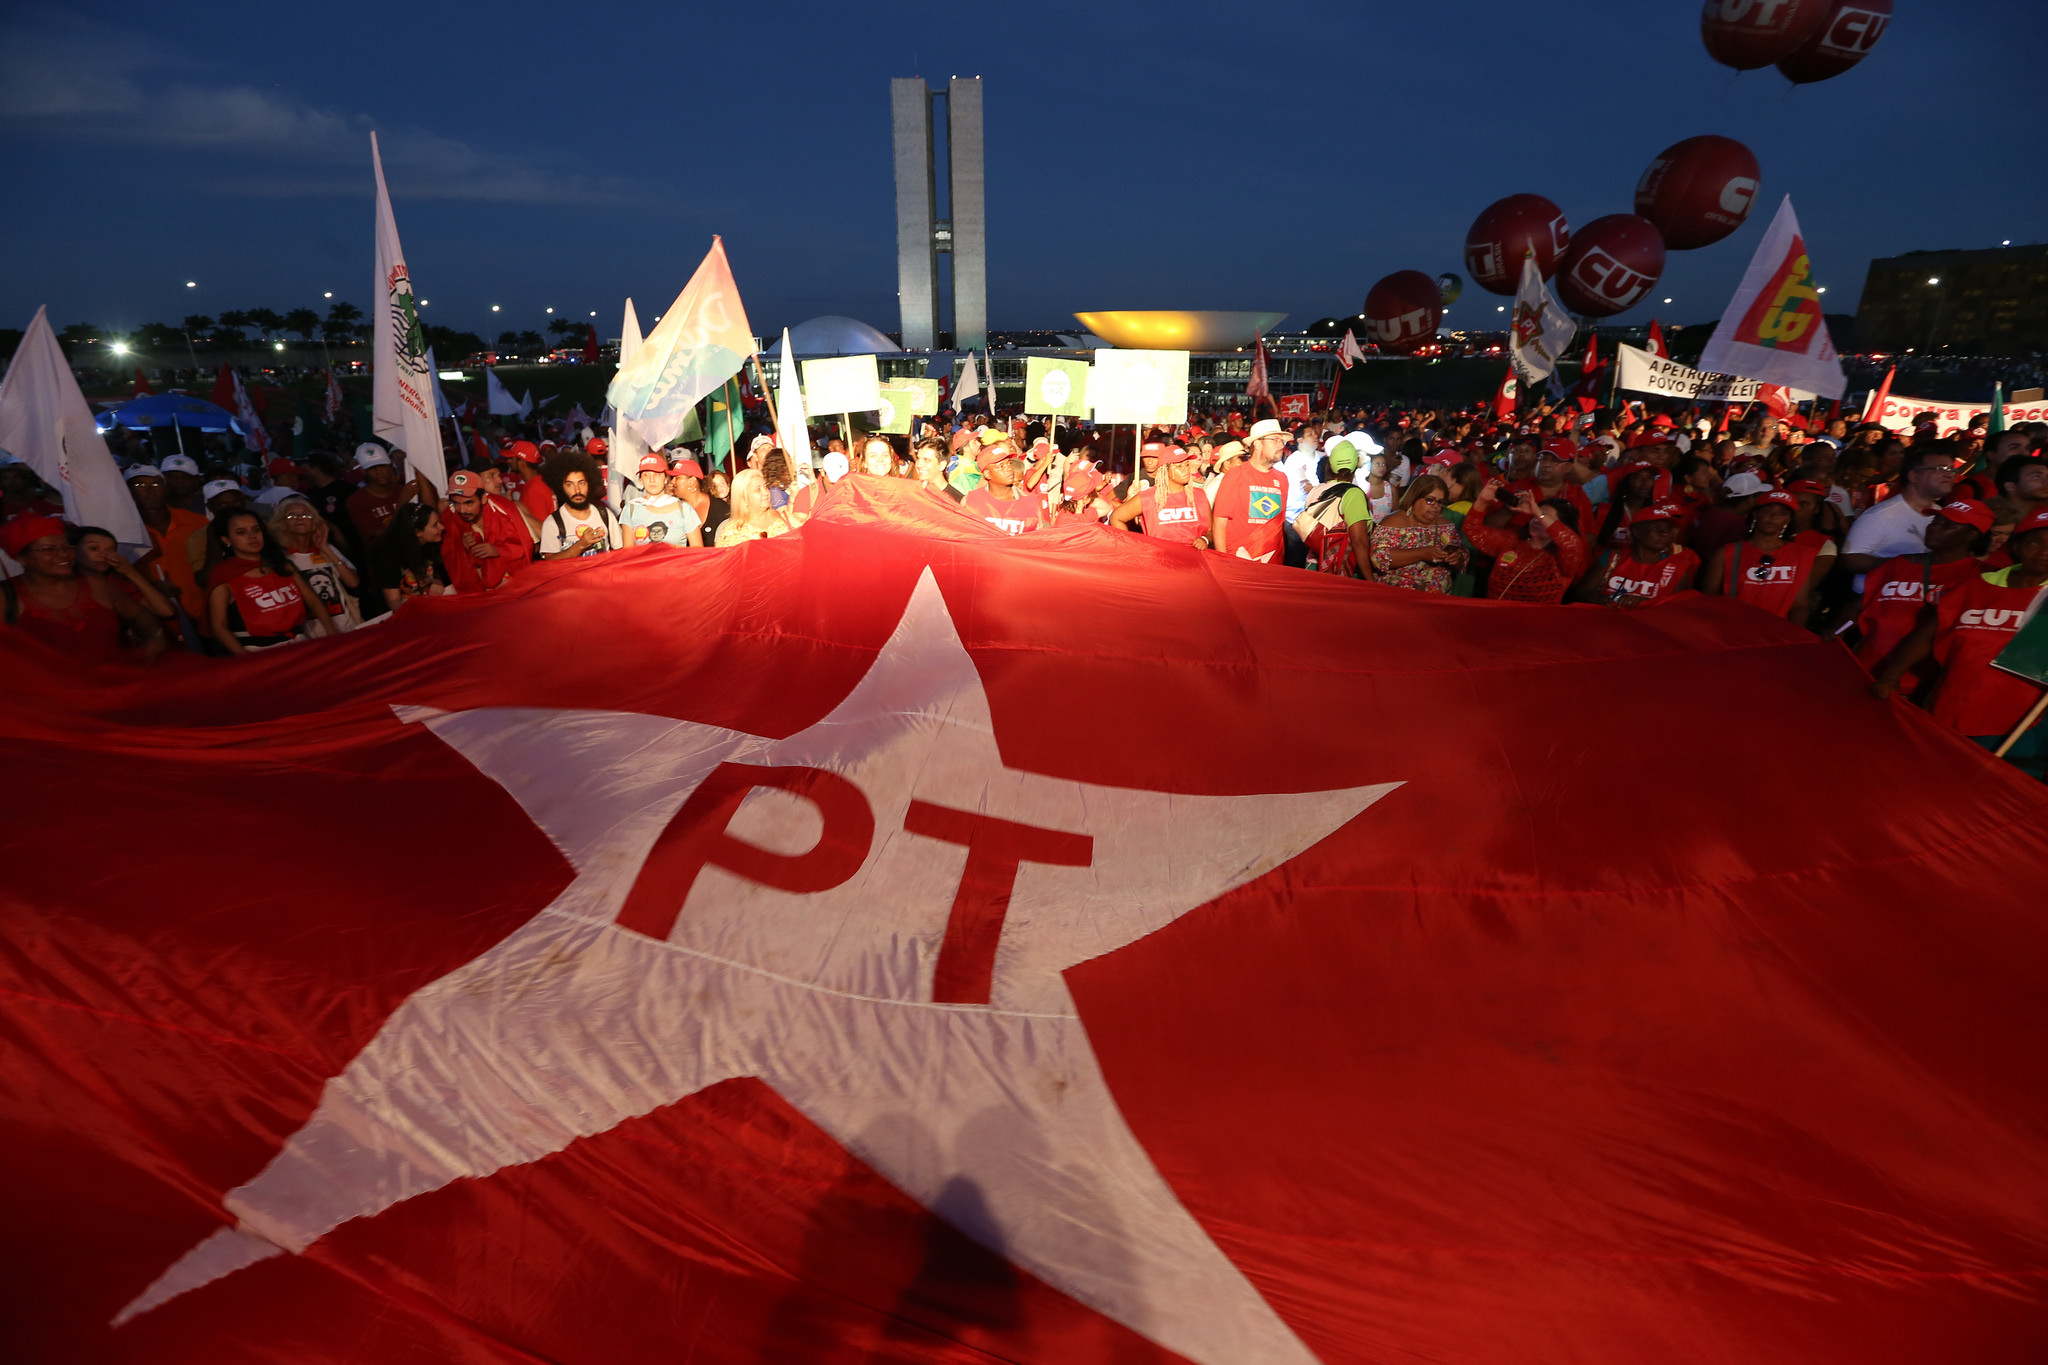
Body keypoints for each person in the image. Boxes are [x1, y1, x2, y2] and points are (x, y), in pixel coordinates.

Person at [1871, 506, 2048, 778]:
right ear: (2016, 546)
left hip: (2023, 725)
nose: (2044, 551)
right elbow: (1929, 633)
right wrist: (1892, 674)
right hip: (1951, 706)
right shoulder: (1976, 586)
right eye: (2036, 541)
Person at [1851, 498, 1992, 687]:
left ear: (1971, 535)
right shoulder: (1900, 563)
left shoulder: (1982, 577)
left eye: (1946, 525)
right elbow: (1858, 606)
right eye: (1935, 521)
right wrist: (1835, 634)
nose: (1934, 528)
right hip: (1865, 669)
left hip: (1919, 682)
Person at [1, 515, 165, 664]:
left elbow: (147, 622)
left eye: (66, 547)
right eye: (48, 549)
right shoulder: (6, 596)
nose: (63, 554)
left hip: (112, 684)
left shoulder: (97, 586)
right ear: (22, 558)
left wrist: (152, 644)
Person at [203, 508, 335, 654]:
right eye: (241, 532)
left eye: (256, 530)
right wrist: (247, 658)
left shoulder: (280, 564)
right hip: (259, 652)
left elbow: (313, 600)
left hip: (300, 643)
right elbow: (219, 626)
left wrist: (332, 633)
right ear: (226, 540)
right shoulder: (223, 575)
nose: (252, 536)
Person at [1840, 442, 1960, 585]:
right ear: (1914, 476)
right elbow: (1850, 558)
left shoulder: (1942, 516)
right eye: (1940, 468)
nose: (1949, 475)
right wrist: (1905, 565)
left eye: (1951, 469)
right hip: (1876, 596)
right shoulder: (1880, 515)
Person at [1700, 490, 1819, 625]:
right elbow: (1708, 600)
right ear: (1756, 514)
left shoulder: (1800, 555)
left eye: (1782, 513)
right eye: (1767, 511)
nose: (1773, 517)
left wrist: (1792, 636)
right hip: (1731, 628)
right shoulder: (1727, 553)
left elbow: (1799, 607)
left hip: (1775, 632)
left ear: (1788, 520)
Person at [1461, 483, 1589, 604]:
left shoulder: (1563, 556)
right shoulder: (1513, 541)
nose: (1537, 520)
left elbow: (1572, 544)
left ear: (1563, 527)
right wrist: (1482, 501)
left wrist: (1538, 512)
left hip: (1536, 619)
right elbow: (1472, 530)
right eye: (1534, 516)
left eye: (1544, 517)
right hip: (1496, 614)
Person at [123, 463, 210, 626]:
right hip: (154, 620)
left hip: (204, 615)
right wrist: (149, 587)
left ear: (166, 488)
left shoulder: (197, 522)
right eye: (139, 485)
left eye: (156, 484)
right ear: (127, 490)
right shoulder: (122, 532)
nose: (150, 491)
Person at [1575, 502, 1699, 608]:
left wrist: (1645, 602)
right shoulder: (1612, 557)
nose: (1664, 533)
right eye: (1658, 528)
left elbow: (1678, 608)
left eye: (1670, 530)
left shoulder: (1677, 568)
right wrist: (1601, 599)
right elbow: (1582, 593)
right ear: (1636, 532)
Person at [267, 494, 362, 631]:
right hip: (310, 633)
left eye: (305, 514)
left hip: (346, 626)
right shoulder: (280, 558)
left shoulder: (326, 549)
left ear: (315, 523)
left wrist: (325, 548)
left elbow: (353, 582)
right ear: (282, 524)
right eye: (291, 515)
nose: (299, 518)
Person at [439, 469, 534, 593]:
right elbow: (448, 558)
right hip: (474, 592)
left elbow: (526, 547)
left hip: (513, 586)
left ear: (483, 499)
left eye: (469, 503)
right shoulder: (449, 517)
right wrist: (461, 547)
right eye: (456, 503)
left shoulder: (504, 510)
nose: (462, 510)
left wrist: (497, 550)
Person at [1209, 418, 1290, 563]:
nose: (1281, 445)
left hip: (1274, 565)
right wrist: (1223, 561)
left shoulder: (1282, 478)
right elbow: (1219, 523)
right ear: (1257, 444)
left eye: (1282, 441)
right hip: (1240, 562)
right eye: (1275, 439)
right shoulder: (1235, 476)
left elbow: (1279, 523)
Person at [1369, 475, 1465, 594]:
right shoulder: (1393, 522)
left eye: (1440, 502)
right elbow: (1378, 558)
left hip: (1438, 595)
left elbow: (1462, 558)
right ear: (1414, 497)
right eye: (1430, 500)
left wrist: (1456, 559)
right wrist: (1422, 553)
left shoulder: (1446, 526)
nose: (1435, 506)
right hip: (1398, 594)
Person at [1292, 442, 1372, 578]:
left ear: (1330, 465)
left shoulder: (1315, 490)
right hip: (1339, 568)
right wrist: (1370, 580)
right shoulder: (1353, 494)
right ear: (1356, 463)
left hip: (1313, 565)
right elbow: (1359, 542)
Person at [71, 525, 177, 628]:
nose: (104, 555)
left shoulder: (118, 584)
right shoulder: (66, 583)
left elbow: (166, 611)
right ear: (73, 550)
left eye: (110, 550)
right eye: (94, 548)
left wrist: (131, 573)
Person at [1112, 443, 1212, 549]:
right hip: (1159, 557)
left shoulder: (1199, 495)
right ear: (1165, 470)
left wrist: (1205, 539)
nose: (1186, 469)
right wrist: (1131, 547)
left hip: (1194, 557)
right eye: (1179, 466)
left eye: (1187, 464)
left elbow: (1211, 529)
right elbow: (1116, 518)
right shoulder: (1148, 497)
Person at [536, 449, 624, 559]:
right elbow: (550, 562)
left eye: (581, 483)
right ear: (560, 487)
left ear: (590, 483)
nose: (577, 490)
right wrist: (580, 545)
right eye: (569, 485)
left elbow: (620, 554)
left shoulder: (605, 515)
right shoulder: (553, 522)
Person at [369, 502, 453, 609]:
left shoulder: (432, 545)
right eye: (435, 525)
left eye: (439, 522)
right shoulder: (389, 557)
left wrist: (438, 583)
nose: (442, 527)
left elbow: (437, 576)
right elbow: (394, 602)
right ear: (417, 532)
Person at [958, 433, 1041, 535]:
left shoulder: (1030, 502)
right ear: (988, 474)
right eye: (1001, 466)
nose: (1009, 468)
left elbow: (1038, 538)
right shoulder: (971, 502)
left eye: (1009, 463)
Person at [346, 444, 415, 547]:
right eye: (372, 468)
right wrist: (402, 502)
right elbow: (383, 536)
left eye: (382, 465)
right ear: (363, 471)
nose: (379, 472)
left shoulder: (404, 490)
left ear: (390, 466)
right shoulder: (356, 501)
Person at [625, 453, 701, 547]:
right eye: (646, 475)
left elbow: (698, 550)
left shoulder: (684, 509)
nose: (652, 480)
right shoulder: (631, 509)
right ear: (641, 480)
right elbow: (628, 551)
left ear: (665, 478)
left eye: (657, 474)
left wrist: (675, 549)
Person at [713, 468, 793, 546]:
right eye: (758, 490)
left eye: (765, 487)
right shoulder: (732, 533)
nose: (766, 492)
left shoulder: (786, 520)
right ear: (744, 498)